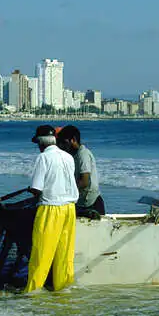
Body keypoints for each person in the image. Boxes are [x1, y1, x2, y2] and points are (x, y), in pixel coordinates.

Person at [24, 125, 79, 293]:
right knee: (65, 256)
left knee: (42, 254)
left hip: (50, 209)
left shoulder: (43, 158)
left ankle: (33, 293)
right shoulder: (68, 157)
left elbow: (37, 188)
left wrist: (31, 189)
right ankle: (64, 291)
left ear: (41, 143)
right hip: (69, 209)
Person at [56, 125, 105, 217]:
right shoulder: (74, 155)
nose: (64, 146)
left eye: (65, 142)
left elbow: (84, 181)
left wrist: (66, 193)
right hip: (81, 201)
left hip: (91, 202)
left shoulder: (83, 154)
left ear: (73, 140)